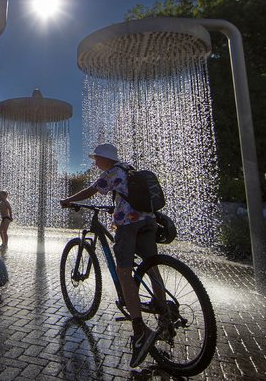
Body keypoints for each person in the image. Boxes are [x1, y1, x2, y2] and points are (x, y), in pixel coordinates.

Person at [59, 143, 161, 368]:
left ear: (105, 159)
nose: (95, 162)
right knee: (152, 266)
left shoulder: (111, 173)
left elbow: (91, 190)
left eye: (96, 159)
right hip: (149, 220)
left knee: (123, 272)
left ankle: (140, 330)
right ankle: (164, 313)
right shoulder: (128, 168)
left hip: (129, 223)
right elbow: (126, 195)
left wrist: (69, 201)